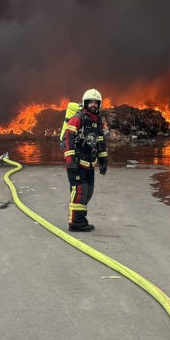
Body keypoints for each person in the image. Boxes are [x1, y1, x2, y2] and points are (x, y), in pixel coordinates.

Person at [62, 88, 108, 232]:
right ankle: (75, 223)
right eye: (91, 102)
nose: (93, 105)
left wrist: (103, 160)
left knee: (89, 192)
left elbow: (100, 140)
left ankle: (80, 218)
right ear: (85, 103)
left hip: (89, 164)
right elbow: (68, 138)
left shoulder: (97, 120)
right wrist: (70, 160)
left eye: (96, 102)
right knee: (80, 191)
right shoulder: (78, 118)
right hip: (77, 163)